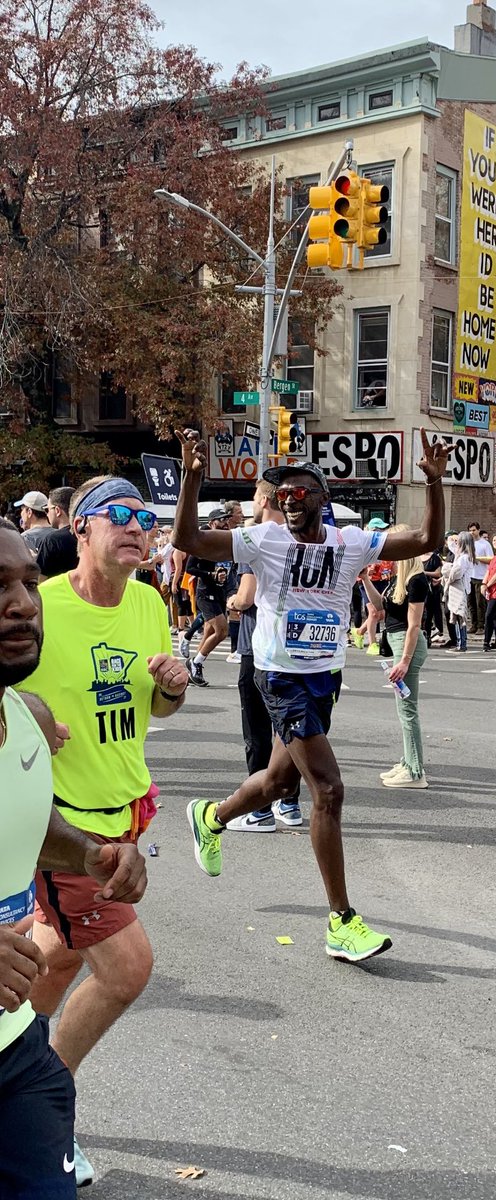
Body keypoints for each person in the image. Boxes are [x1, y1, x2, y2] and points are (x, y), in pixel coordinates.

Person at [173, 427, 452, 963]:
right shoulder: (265, 541)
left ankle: (211, 816)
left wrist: (434, 483)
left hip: (324, 677)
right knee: (328, 789)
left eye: (300, 493)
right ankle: (341, 922)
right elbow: (189, 540)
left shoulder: (349, 543)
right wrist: (191, 476)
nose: (290, 502)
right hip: (280, 677)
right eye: (282, 496)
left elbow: (424, 542)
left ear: (322, 499)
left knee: (280, 782)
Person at [20, 475, 188, 1185]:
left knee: (53, 960)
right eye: (117, 514)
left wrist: (173, 687)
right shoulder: (41, 606)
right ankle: (39, 1110)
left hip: (123, 815)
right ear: (79, 529)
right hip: (62, 828)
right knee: (127, 968)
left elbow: (157, 709)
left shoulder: (149, 603)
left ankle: (13, 1078)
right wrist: (30, 710)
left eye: (144, 517)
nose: (136, 525)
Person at [0, 516, 147, 1199]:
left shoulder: (22, 715)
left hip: (15, 1056)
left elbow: (26, 815)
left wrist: (91, 854)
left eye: (29, 582)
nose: (21, 602)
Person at [226, 481, 302, 831]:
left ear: (264, 499)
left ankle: (259, 811)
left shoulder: (256, 537)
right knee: (288, 728)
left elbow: (247, 595)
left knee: (257, 729)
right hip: (292, 647)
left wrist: (233, 602)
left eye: (254, 497)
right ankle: (290, 801)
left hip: (257, 645)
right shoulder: (300, 535)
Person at [365, 535, 429, 788]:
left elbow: (414, 626)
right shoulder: (398, 580)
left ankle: (415, 771)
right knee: (404, 709)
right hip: (397, 640)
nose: (389, 556)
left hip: (406, 643)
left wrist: (403, 662)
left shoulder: (417, 580)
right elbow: (381, 607)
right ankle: (408, 761)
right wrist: (365, 579)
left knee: (407, 710)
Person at [185, 507, 232, 686]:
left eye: (226, 519)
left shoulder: (226, 540)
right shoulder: (203, 542)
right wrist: (211, 574)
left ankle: (194, 667)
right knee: (222, 631)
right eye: (221, 520)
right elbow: (190, 568)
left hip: (220, 591)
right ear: (212, 523)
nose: (225, 523)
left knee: (210, 632)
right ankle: (195, 663)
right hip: (206, 593)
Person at [358, 518, 392, 656]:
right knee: (373, 612)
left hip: (383, 582)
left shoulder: (386, 546)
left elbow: (391, 564)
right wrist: (367, 571)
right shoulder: (364, 545)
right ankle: (372, 644)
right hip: (367, 582)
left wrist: (390, 573)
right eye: (377, 530)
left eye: (382, 529)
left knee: (381, 613)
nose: (380, 532)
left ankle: (360, 631)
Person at [34, 486, 79, 579]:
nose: (47, 514)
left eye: (47, 509)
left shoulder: (52, 540)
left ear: (57, 511)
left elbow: (39, 580)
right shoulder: (87, 534)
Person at [443, 531, 475, 652]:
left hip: (460, 587)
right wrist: (456, 537)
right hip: (458, 587)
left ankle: (461, 643)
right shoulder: (461, 555)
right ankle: (460, 643)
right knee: (456, 615)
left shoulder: (464, 558)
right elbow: (450, 542)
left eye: (459, 541)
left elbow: (457, 573)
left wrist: (448, 571)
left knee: (460, 615)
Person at [467, 522, 493, 634]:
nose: (472, 532)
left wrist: (477, 558)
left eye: (474, 530)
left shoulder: (485, 544)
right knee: (470, 602)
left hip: (480, 576)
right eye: (470, 530)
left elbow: (491, 559)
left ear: (478, 530)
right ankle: (474, 624)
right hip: (469, 576)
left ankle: (481, 625)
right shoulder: (468, 543)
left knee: (480, 603)